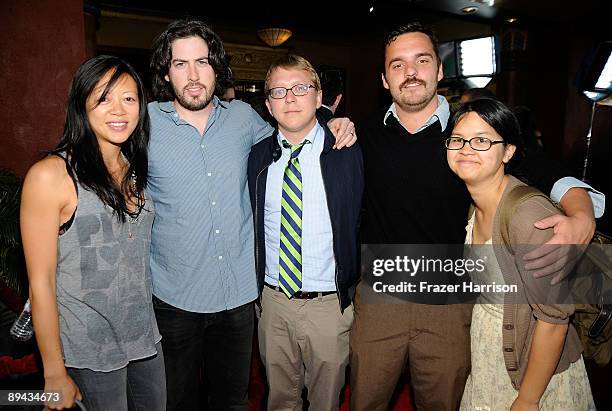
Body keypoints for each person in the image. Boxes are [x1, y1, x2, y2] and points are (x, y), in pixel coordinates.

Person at [350, 22, 604, 410]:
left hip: (452, 304)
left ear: (439, 70)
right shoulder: (362, 133)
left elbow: (544, 169)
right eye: (397, 65)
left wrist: (582, 213)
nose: (411, 72)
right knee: (365, 401)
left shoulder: (469, 131)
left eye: (421, 60)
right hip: (380, 297)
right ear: (384, 79)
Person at [147, 18, 356, 410]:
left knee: (234, 400)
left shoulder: (244, 119)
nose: (193, 75)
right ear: (165, 71)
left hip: (239, 299)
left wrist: (332, 121)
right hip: (174, 300)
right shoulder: (144, 125)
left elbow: (293, 129)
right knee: (175, 401)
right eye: (180, 63)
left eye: (203, 62)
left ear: (217, 68)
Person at [21, 55, 165, 411]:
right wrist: (54, 371)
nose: (119, 110)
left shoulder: (135, 170)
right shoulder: (50, 176)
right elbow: (40, 283)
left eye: (129, 99)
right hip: (88, 349)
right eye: (104, 97)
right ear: (82, 104)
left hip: (145, 339)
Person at [446, 98, 595, 410]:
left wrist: (528, 399)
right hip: (491, 354)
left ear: (508, 152)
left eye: (482, 140)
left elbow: (554, 319)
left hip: (532, 369)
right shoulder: (477, 201)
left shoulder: (527, 215)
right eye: (458, 139)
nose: (466, 149)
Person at [247, 55, 363, 410]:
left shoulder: (349, 150)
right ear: (268, 105)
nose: (290, 99)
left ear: (318, 97)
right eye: (279, 91)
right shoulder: (256, 158)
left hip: (328, 304)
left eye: (301, 88)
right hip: (273, 303)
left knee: (326, 401)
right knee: (279, 399)